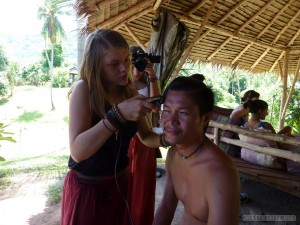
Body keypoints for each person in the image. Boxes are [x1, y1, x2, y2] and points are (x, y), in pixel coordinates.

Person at [61, 29, 167, 225]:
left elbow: (145, 136)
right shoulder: (84, 90)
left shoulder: (128, 90)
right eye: (114, 63)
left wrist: (167, 139)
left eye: (127, 60)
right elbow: (77, 151)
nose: (123, 68)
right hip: (88, 190)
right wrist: (117, 115)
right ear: (96, 65)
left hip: (119, 185)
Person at [153, 77, 240, 225]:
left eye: (183, 113)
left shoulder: (220, 173)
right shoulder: (175, 153)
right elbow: (167, 206)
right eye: (166, 110)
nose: (171, 120)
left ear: (205, 118)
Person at [127, 45, 161, 225]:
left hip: (145, 133)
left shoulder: (147, 82)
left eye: (139, 66)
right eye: (132, 65)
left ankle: (140, 218)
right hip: (126, 136)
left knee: (143, 180)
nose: (136, 71)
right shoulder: (119, 85)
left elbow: (156, 104)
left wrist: (152, 74)